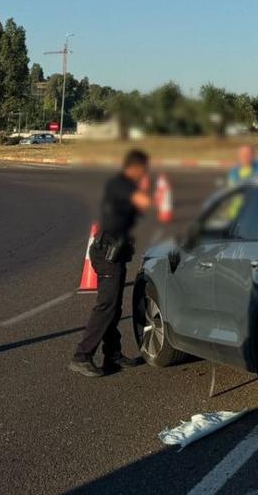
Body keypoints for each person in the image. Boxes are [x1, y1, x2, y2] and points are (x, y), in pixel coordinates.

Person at [70, 149, 153, 377]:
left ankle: (112, 353)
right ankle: (82, 355)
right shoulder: (122, 184)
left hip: (115, 253)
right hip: (107, 255)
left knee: (114, 307)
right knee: (106, 306)